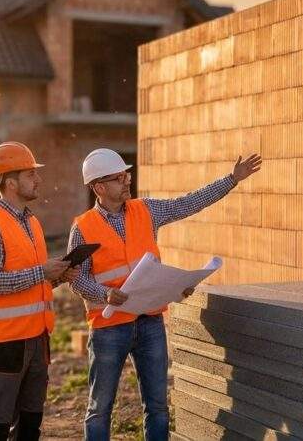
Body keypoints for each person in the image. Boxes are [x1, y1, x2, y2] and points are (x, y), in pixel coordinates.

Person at [68, 148, 261, 440]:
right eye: (118, 178)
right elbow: (77, 281)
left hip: (149, 324)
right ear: (99, 187)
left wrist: (231, 179)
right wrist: (105, 293)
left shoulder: (146, 210)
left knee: (157, 407)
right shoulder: (82, 228)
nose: (126, 181)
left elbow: (188, 204)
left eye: (126, 175)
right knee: (100, 409)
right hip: (109, 328)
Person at [0, 141, 80, 440]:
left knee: (30, 426)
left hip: (36, 340)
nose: (38, 179)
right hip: (4, 344)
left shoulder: (32, 223)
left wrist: (57, 276)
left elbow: (29, 280)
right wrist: (43, 271)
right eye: (31, 174)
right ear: (10, 182)